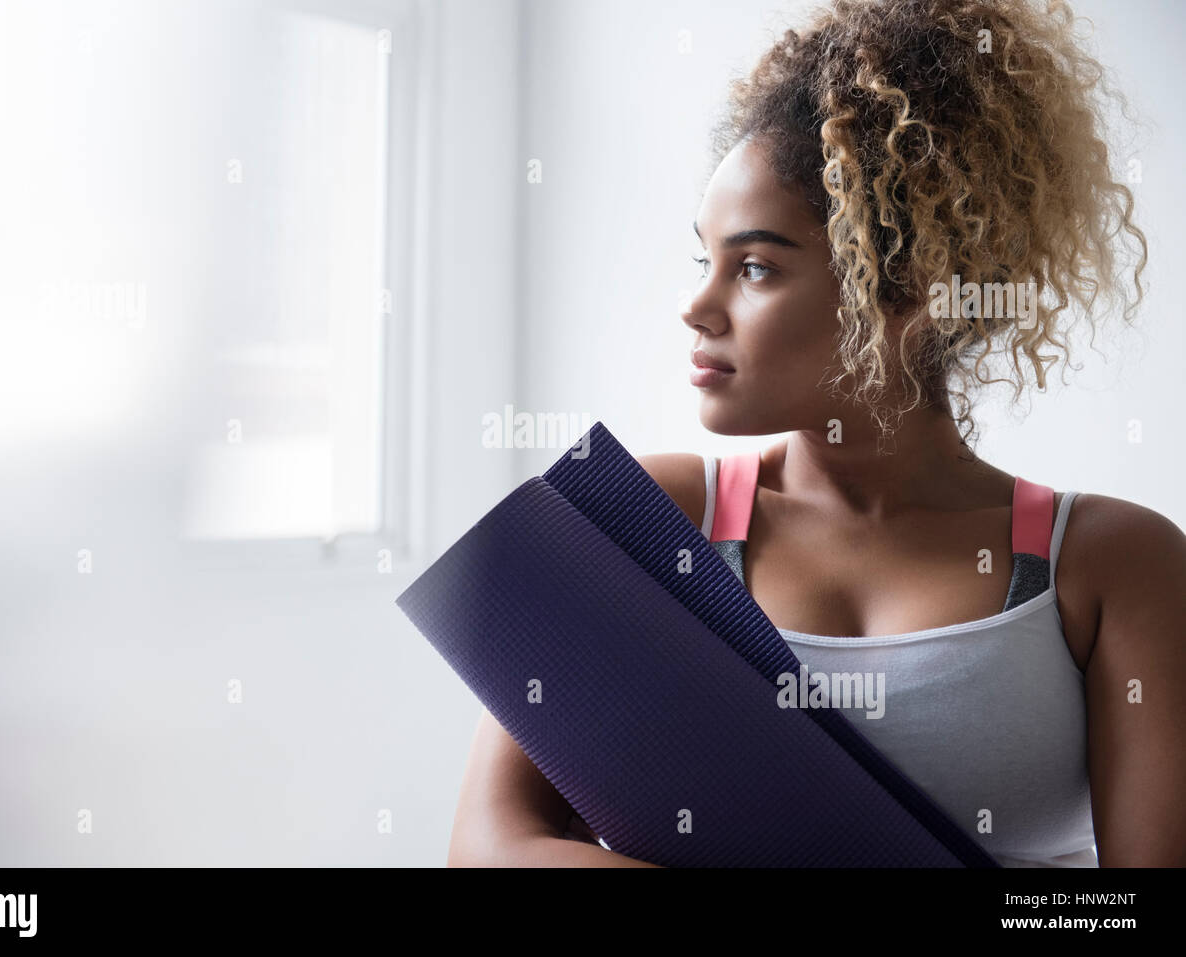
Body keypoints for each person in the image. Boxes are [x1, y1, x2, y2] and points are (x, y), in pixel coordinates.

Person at [446, 0, 1184, 867]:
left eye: (755, 267)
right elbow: (490, 846)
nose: (696, 306)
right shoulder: (641, 517)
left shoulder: (1114, 562)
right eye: (704, 259)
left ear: (907, 290)